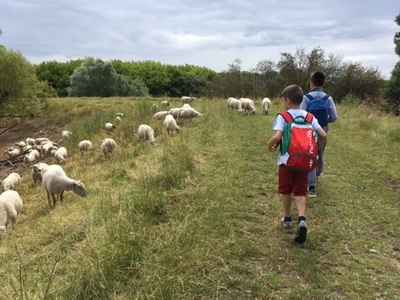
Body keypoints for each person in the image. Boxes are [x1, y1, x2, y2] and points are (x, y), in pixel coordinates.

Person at [267, 84, 327, 243]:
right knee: (300, 191)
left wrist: (270, 145)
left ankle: (287, 219)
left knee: (286, 190)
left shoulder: (283, 116)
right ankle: (301, 219)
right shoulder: (309, 117)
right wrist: (315, 150)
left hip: (286, 161)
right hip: (305, 161)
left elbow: (278, 136)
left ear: (287, 101)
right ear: (301, 100)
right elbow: (323, 135)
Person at [300, 71, 338, 198]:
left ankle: (310, 184)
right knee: (319, 153)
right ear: (324, 83)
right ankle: (316, 176)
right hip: (323, 131)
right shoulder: (328, 98)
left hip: (309, 131)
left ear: (311, 83)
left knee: (309, 154)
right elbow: (334, 116)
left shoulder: (306, 98)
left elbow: (302, 115)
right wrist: (324, 122)